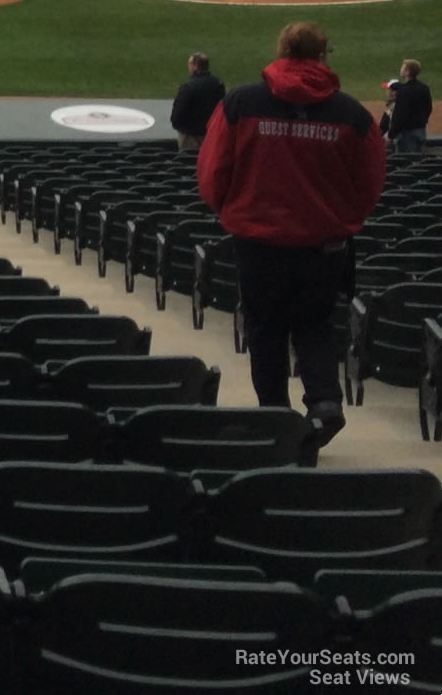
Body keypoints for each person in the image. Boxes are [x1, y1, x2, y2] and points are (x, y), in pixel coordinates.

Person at [198, 22, 384, 444]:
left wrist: (234, 211)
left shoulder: (241, 104)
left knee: (264, 328)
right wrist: (338, 219)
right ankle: (323, 404)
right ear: (322, 56)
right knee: (314, 324)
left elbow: (213, 174)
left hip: (258, 243)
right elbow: (369, 185)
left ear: (281, 51)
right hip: (323, 247)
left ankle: (274, 418)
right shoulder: (352, 115)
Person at [170, 52, 227, 152]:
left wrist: (179, 126)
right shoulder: (218, 84)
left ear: (195, 66)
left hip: (191, 136)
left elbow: (178, 111)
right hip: (210, 134)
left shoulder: (188, 86)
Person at [385, 59, 432, 156]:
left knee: (405, 162)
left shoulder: (404, 91)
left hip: (406, 134)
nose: (400, 69)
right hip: (421, 131)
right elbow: (428, 108)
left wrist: (391, 135)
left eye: (403, 67)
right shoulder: (424, 88)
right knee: (417, 162)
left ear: (407, 72)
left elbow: (399, 115)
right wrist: (422, 121)